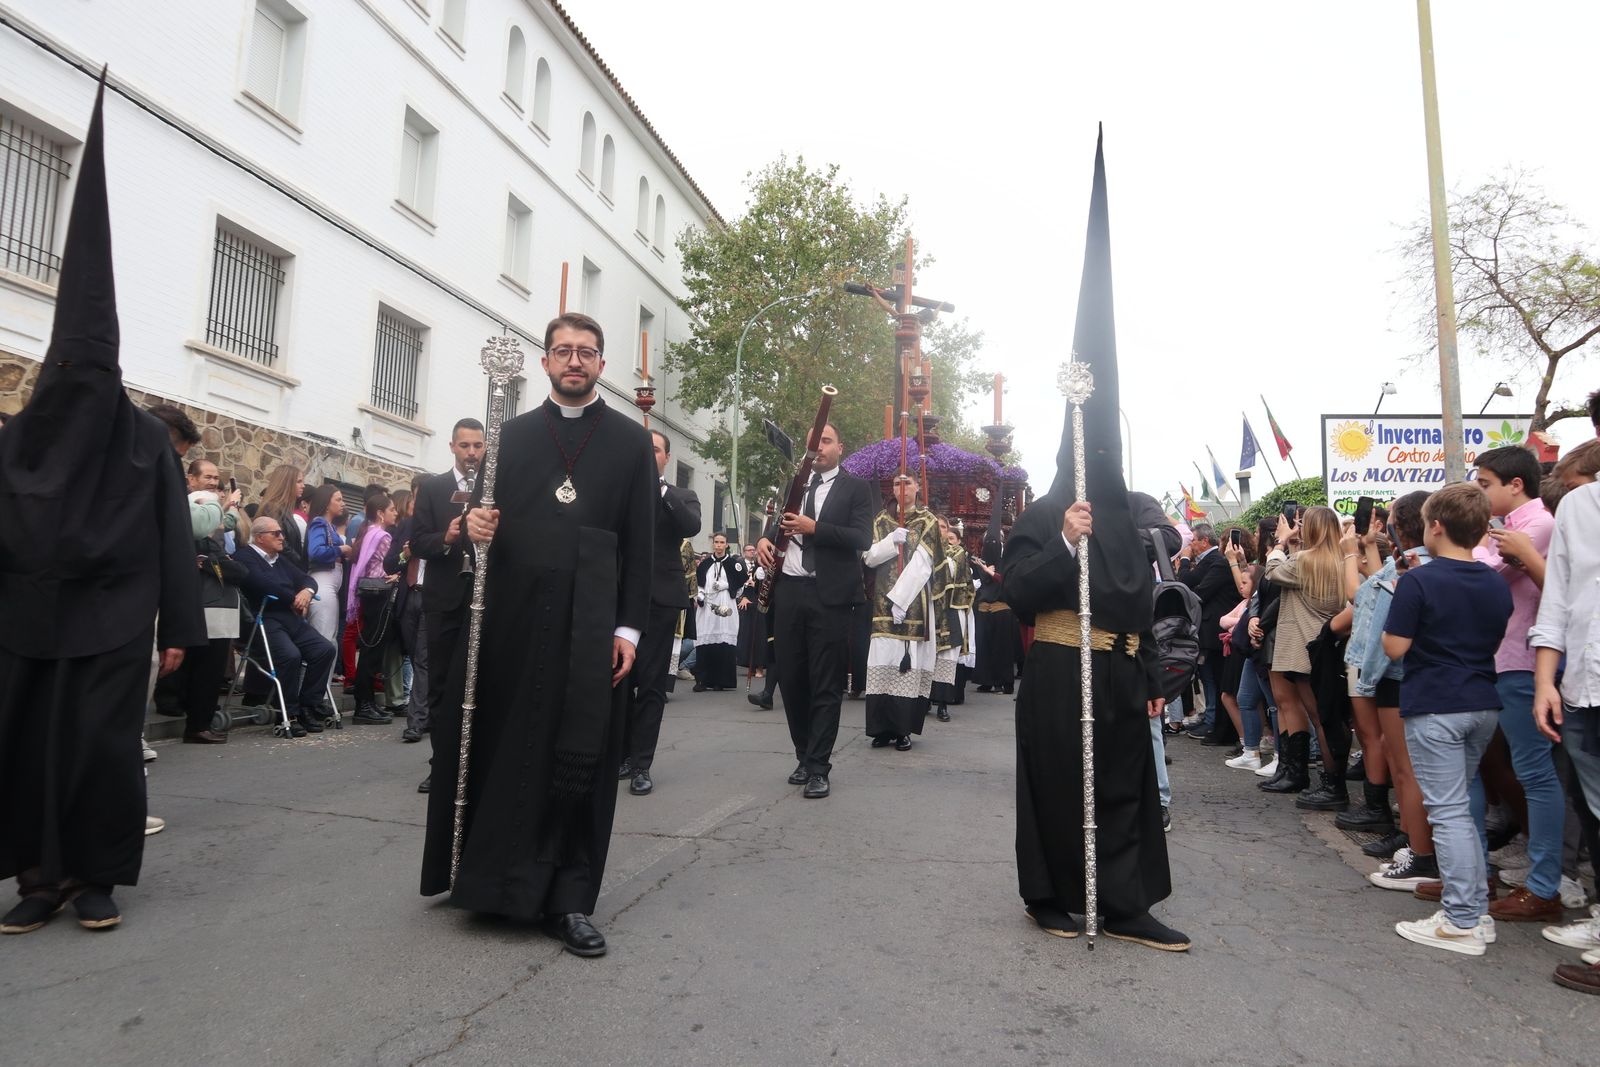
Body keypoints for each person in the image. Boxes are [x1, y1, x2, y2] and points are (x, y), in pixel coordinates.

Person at [0, 84, 205, 933]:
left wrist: (179, 630)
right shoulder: (18, 440)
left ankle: (96, 877)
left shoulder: (145, 441)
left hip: (116, 621)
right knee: (24, 746)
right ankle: (37, 876)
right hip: (26, 617)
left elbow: (172, 537)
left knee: (101, 750)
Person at [419, 312, 655, 958]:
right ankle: (491, 881)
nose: (574, 360)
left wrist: (629, 629)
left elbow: (641, 542)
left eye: (586, 351)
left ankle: (567, 899)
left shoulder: (630, 444)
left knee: (579, 758)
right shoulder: (511, 437)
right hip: (512, 620)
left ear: (601, 364)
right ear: (546, 361)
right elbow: (481, 523)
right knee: (506, 744)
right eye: (563, 350)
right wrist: (475, 528)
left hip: (591, 624)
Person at [1002, 138, 1185, 950]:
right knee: (1055, 783)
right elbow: (1014, 589)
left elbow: (1143, 605)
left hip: (1118, 672)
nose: (1103, 459)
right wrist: (1064, 543)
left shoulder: (1131, 516)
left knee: (1124, 785)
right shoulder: (1049, 510)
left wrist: (1149, 677)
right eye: (1093, 446)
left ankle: (1126, 901)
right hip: (1057, 663)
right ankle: (1050, 894)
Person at [1381, 482, 1513, 957]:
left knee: (1450, 812)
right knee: (1459, 809)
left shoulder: (1420, 581)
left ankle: (1462, 920)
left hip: (1436, 702)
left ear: (1435, 526)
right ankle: (1473, 910)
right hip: (1482, 701)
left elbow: (1394, 646)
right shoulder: (1494, 580)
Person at [1470, 446, 1565, 925]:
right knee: (1497, 765)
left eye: (1485, 485)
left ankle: (1547, 882)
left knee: (1534, 772)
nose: (1480, 494)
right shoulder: (1510, 529)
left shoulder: (1537, 525)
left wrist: (1471, 545)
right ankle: (1509, 867)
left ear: (1515, 484)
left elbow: (1482, 574)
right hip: (1504, 659)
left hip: (1524, 662)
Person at [755, 424, 875, 799]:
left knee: (825, 683)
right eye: (813, 441)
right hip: (789, 592)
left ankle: (819, 766)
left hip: (830, 597)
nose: (818, 447)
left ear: (840, 447)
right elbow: (778, 526)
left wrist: (815, 528)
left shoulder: (856, 488)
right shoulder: (794, 484)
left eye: (825, 441)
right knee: (792, 681)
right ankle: (804, 756)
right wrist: (764, 539)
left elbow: (861, 538)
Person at [1531, 465, 1600, 993]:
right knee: (1591, 811)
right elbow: (1557, 599)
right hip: (1583, 685)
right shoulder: (1580, 505)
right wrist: (1545, 681)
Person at [620, 429, 701, 796]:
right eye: (644, 449)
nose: (649, 454)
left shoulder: (682, 496)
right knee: (619, 682)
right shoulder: (623, 490)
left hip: (661, 599)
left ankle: (642, 764)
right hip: (620, 597)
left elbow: (690, 526)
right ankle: (620, 754)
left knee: (651, 684)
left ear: (667, 457)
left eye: (655, 450)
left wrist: (660, 490)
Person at [409, 419, 486, 793]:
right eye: (465, 445)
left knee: (481, 684)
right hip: (443, 599)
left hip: (485, 599)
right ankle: (441, 764)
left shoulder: (494, 488)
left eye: (478, 446)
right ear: (453, 447)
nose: (471, 453)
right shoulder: (433, 488)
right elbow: (418, 542)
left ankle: (476, 764)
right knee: (440, 684)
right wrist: (447, 537)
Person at [1259, 507, 1346, 796]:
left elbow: (1272, 572)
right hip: (1327, 645)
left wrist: (1281, 542)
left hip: (1303, 647)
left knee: (1319, 719)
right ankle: (1329, 779)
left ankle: (1331, 785)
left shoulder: (1304, 561)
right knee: (1326, 718)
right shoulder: (1340, 561)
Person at [233, 516, 338, 737]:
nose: (282, 537)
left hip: (289, 618)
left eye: (281, 532)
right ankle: (288, 713)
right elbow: (262, 584)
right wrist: (293, 597)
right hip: (264, 618)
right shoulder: (245, 557)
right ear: (260, 537)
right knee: (290, 656)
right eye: (276, 533)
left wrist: (306, 592)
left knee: (324, 649)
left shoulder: (280, 560)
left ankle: (308, 706)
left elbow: (307, 579)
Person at [860, 475, 942, 750]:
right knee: (882, 659)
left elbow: (923, 563)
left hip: (912, 603)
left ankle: (902, 728)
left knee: (906, 664)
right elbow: (869, 557)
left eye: (907, 483)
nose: (901, 488)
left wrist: (901, 600)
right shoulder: (881, 521)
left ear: (917, 487)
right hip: (882, 602)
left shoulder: (927, 521)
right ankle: (881, 728)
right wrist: (890, 543)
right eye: (896, 484)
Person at [1176, 522, 1237, 745]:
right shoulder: (1211, 562)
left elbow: (1193, 587)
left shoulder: (1217, 562)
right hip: (1210, 630)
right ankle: (1212, 719)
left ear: (1204, 541)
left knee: (1217, 680)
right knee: (1209, 678)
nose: (1190, 545)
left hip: (1216, 631)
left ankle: (1220, 725)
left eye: (1193, 540)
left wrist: (1184, 560)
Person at [347, 492, 401, 726]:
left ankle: (366, 702)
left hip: (368, 594)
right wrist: (395, 574)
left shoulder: (367, 532)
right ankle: (364, 705)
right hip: (378, 594)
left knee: (370, 648)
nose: (395, 513)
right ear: (380, 513)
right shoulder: (382, 535)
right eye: (391, 509)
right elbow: (381, 566)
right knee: (373, 650)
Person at [387, 473, 430, 742]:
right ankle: (429, 710)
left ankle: (416, 721)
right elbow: (389, 563)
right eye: (416, 497)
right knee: (416, 658)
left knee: (423, 660)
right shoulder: (407, 525)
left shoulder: (445, 525)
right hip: (408, 596)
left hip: (432, 598)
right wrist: (405, 554)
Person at [930, 516, 975, 723]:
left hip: (950, 608)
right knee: (927, 656)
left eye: (944, 527)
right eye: (937, 526)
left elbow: (953, 571)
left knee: (947, 658)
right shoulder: (925, 548)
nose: (941, 530)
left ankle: (943, 704)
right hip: (930, 608)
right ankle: (923, 701)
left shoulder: (957, 553)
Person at [692, 534, 744, 692]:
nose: (719, 545)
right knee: (706, 639)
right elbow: (699, 583)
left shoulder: (733, 564)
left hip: (725, 603)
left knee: (723, 641)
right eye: (716, 542)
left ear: (726, 544)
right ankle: (702, 680)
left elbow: (740, 584)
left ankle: (721, 681)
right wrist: (700, 594)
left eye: (722, 542)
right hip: (708, 607)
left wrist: (726, 585)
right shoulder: (705, 564)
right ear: (713, 544)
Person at [304, 485, 350, 646]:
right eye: (338, 500)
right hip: (323, 582)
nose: (342, 503)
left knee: (329, 635)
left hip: (328, 582)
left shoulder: (328, 526)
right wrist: (341, 549)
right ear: (326, 503)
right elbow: (315, 551)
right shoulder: (320, 523)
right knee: (324, 636)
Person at [258, 465, 308, 571]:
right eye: (299, 481)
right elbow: (278, 540)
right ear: (287, 483)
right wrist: (299, 562)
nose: (303, 486)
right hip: (277, 568)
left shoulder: (285, 509)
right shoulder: (271, 508)